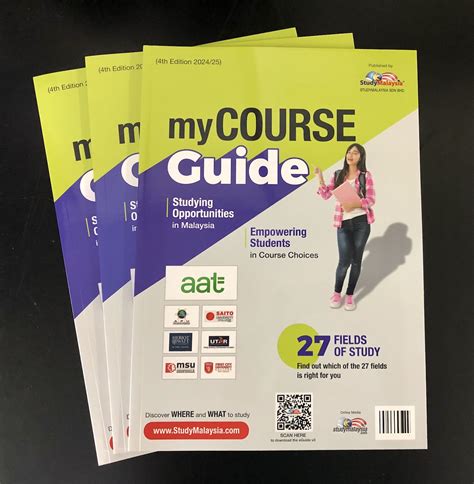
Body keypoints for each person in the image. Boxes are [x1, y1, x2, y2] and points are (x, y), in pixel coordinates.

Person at [315, 143, 376, 311]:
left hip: (361, 223)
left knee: (356, 261)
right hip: (343, 223)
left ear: (361, 157)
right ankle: (336, 293)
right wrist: (320, 177)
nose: (351, 155)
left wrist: (354, 203)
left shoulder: (365, 175)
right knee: (344, 261)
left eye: (355, 153)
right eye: (349, 152)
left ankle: (349, 295)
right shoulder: (338, 175)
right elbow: (326, 195)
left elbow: (371, 199)